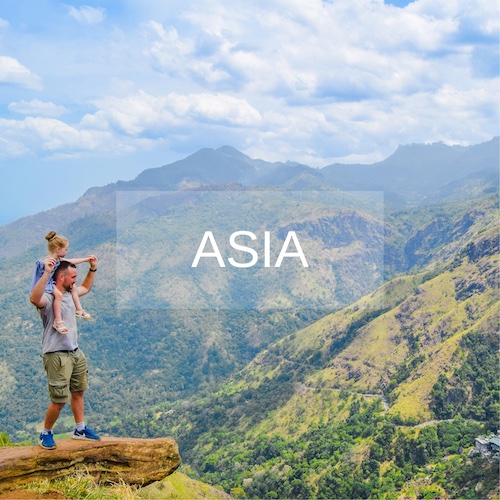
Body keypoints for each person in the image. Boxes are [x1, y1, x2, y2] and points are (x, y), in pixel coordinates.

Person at [30, 255, 101, 450]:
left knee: (78, 392)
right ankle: (46, 433)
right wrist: (45, 272)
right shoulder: (50, 298)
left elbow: (85, 287)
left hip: (74, 351)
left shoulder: (71, 294)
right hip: (56, 354)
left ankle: (80, 429)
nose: (75, 280)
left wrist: (92, 269)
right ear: (61, 278)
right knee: (59, 399)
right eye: (72, 277)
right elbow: (34, 298)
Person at [31, 231, 95, 334]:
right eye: (65, 249)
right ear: (58, 249)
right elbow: (40, 279)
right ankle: (58, 321)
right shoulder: (48, 261)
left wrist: (87, 260)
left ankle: (79, 310)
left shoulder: (58, 259)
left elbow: (72, 261)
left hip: (51, 282)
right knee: (59, 295)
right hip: (46, 284)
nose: (66, 251)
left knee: (73, 287)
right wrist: (47, 269)